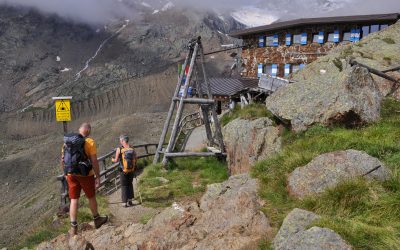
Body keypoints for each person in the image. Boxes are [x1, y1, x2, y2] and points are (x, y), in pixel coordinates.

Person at [61, 123, 108, 236]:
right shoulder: (89, 142)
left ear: (79, 130)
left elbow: (62, 160)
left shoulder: (66, 143)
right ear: (88, 131)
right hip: (86, 175)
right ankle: (97, 219)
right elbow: (94, 161)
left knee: (74, 199)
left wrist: (66, 173)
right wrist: (98, 176)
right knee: (91, 197)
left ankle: (73, 227)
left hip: (71, 174)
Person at [112, 135, 137, 207]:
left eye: (120, 140)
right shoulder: (132, 148)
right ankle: (130, 201)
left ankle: (124, 202)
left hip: (123, 170)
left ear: (123, 141)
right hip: (131, 169)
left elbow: (116, 160)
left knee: (124, 185)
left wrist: (112, 159)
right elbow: (135, 157)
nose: (120, 141)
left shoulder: (119, 149)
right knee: (130, 184)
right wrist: (134, 166)